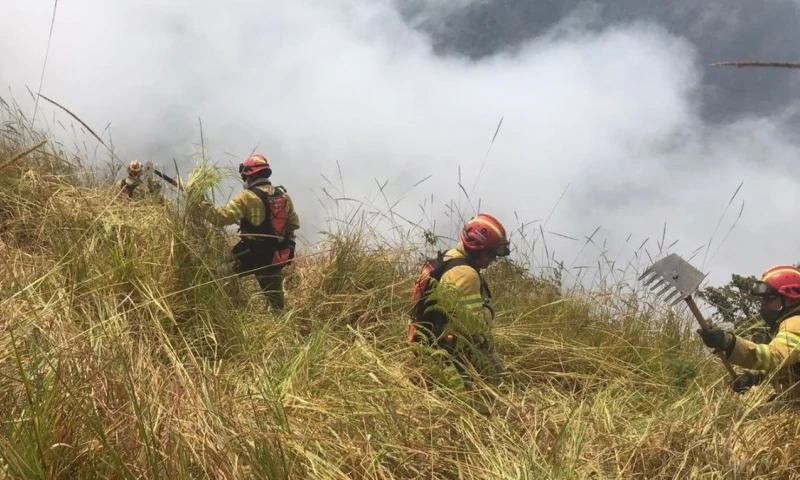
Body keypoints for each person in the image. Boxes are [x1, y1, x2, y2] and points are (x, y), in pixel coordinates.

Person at [408, 212, 510, 387]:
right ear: (478, 249)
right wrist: (488, 312)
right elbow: (470, 325)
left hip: (422, 339)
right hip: (445, 352)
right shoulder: (466, 274)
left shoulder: (448, 257)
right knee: (498, 381)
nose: (493, 260)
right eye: (491, 254)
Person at [198, 154, 300, 310]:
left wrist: (200, 204)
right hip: (277, 256)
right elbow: (293, 224)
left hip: (253, 256)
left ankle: (227, 309)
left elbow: (221, 218)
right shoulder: (283, 195)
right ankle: (282, 327)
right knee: (277, 305)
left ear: (249, 177)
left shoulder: (246, 197)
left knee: (218, 275)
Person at [699, 264, 800, 400]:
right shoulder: (787, 325)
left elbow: (774, 357)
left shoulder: (795, 324)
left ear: (790, 297)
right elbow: (788, 365)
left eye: (769, 299)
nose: (763, 305)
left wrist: (729, 342)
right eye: (762, 300)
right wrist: (754, 377)